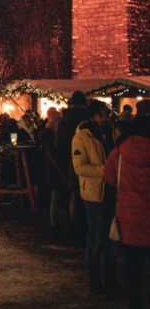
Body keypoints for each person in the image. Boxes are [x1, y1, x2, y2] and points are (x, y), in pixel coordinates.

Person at [104, 98, 150, 309]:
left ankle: (135, 305)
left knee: (134, 263)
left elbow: (110, 178)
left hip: (130, 214)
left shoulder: (121, 149)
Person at [72, 99, 118, 293]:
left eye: (106, 114)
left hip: (112, 192)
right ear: (92, 116)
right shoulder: (83, 136)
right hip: (94, 194)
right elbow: (79, 167)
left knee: (112, 238)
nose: (105, 118)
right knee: (97, 236)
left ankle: (111, 278)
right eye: (101, 115)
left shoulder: (112, 134)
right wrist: (104, 170)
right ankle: (94, 277)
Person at [56, 90, 90, 234]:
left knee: (74, 191)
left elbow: (59, 144)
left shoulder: (65, 120)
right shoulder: (89, 117)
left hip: (71, 159)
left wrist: (65, 157)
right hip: (91, 158)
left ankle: (74, 223)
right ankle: (87, 223)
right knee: (89, 191)